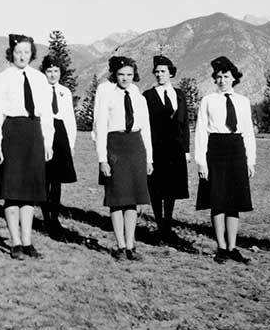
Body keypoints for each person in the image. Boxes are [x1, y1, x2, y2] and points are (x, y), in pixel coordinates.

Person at [0, 34, 54, 260]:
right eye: (18, 52)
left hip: (34, 134)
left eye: (26, 52)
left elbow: (47, 115)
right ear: (11, 54)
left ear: (31, 54)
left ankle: (28, 241)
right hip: (12, 134)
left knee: (29, 194)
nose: (22, 56)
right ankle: (15, 242)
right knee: (12, 193)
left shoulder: (39, 78)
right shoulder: (3, 78)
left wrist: (47, 143)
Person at [195, 56, 255, 264]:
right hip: (216, 150)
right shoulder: (208, 100)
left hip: (237, 149)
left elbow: (248, 132)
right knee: (217, 200)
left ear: (234, 79)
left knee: (234, 201)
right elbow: (201, 131)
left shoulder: (243, 101)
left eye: (226, 76)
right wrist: (201, 162)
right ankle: (220, 246)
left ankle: (232, 247)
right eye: (218, 77)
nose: (222, 80)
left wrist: (250, 161)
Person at [95, 56, 152, 261]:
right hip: (115, 146)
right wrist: (103, 159)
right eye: (121, 74)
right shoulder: (107, 95)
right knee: (118, 199)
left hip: (136, 147)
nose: (125, 78)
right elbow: (100, 128)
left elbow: (145, 129)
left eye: (129, 74)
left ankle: (130, 245)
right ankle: (119, 245)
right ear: (114, 75)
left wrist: (149, 159)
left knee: (133, 200)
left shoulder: (138, 97)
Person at [143, 55, 190, 243]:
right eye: (157, 72)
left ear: (171, 73)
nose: (159, 74)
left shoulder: (179, 94)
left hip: (175, 148)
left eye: (163, 71)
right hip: (156, 148)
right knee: (156, 189)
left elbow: (185, 123)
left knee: (172, 189)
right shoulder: (148, 95)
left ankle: (168, 226)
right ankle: (160, 227)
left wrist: (186, 149)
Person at [39, 55, 77, 234]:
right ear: (44, 72)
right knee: (45, 178)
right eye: (49, 71)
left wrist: (71, 144)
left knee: (57, 180)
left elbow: (70, 119)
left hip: (61, 133)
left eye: (56, 71)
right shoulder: (39, 89)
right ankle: (45, 218)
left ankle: (54, 218)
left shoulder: (64, 91)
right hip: (44, 132)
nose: (52, 75)